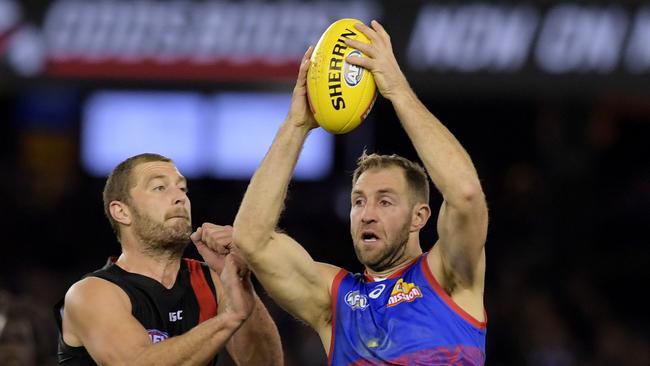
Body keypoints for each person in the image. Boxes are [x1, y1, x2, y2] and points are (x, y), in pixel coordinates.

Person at [195, 20, 488, 364]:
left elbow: (466, 194)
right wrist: (297, 125)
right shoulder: (334, 300)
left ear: (419, 216)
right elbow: (252, 239)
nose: (367, 213)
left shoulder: (447, 275)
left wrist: (398, 91)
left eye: (385, 201)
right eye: (358, 201)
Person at [54, 153, 283, 365]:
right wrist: (231, 317)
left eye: (182, 189)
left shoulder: (211, 280)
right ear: (121, 212)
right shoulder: (90, 293)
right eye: (160, 187)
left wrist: (241, 282)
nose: (179, 198)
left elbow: (266, 363)